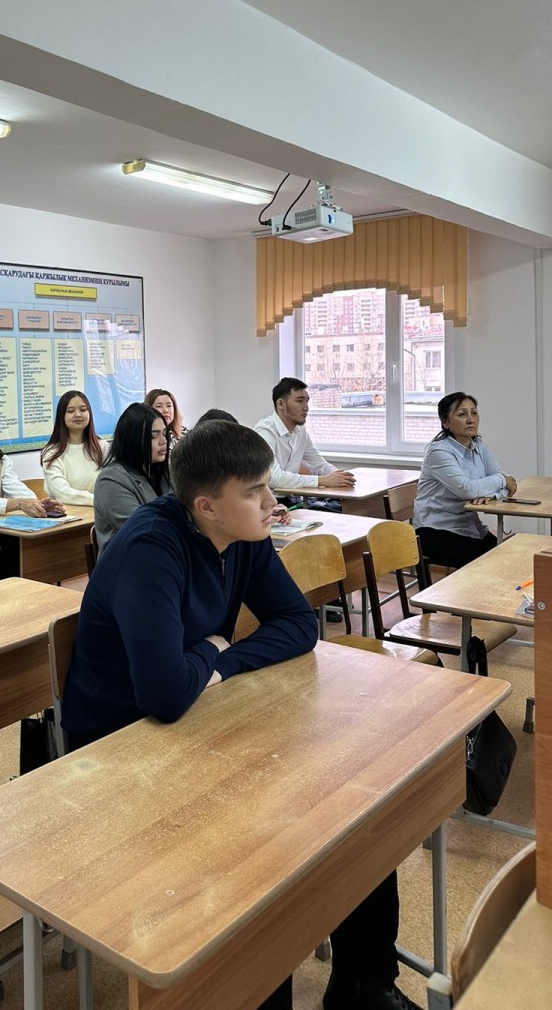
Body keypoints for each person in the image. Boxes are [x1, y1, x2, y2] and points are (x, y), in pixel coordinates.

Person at [62, 421, 419, 1010]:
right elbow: (163, 695)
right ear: (207, 506)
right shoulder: (151, 548)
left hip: (202, 713)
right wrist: (210, 653)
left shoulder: (243, 534)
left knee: (352, 801)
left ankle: (365, 984)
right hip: (119, 747)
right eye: (255, 491)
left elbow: (298, 625)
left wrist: (218, 663)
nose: (272, 502)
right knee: (262, 849)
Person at [413, 392, 516, 568]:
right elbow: (468, 489)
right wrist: (501, 480)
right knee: (493, 565)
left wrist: (492, 495)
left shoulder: (479, 445)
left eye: (474, 413)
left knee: (511, 557)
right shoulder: (438, 451)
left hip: (470, 527)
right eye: (462, 414)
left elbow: (509, 484)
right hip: (435, 530)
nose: (470, 419)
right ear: (445, 422)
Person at [93, 402, 171, 553]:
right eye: (153, 436)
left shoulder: (167, 472)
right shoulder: (111, 480)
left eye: (164, 433)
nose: (163, 441)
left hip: (165, 556)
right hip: (130, 561)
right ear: (132, 439)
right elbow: (144, 531)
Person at [254, 379, 356, 493]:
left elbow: (319, 464)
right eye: (299, 401)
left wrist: (341, 477)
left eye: (306, 401)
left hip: (293, 496)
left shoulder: (300, 431)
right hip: (269, 500)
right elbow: (274, 478)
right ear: (281, 404)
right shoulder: (265, 431)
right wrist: (322, 480)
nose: (306, 407)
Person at [40, 389, 109, 505]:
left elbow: (113, 485)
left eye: (83, 409)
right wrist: (101, 500)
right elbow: (62, 494)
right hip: (68, 512)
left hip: (101, 511)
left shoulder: (103, 447)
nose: (78, 415)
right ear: (62, 416)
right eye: (71, 411)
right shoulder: (51, 452)